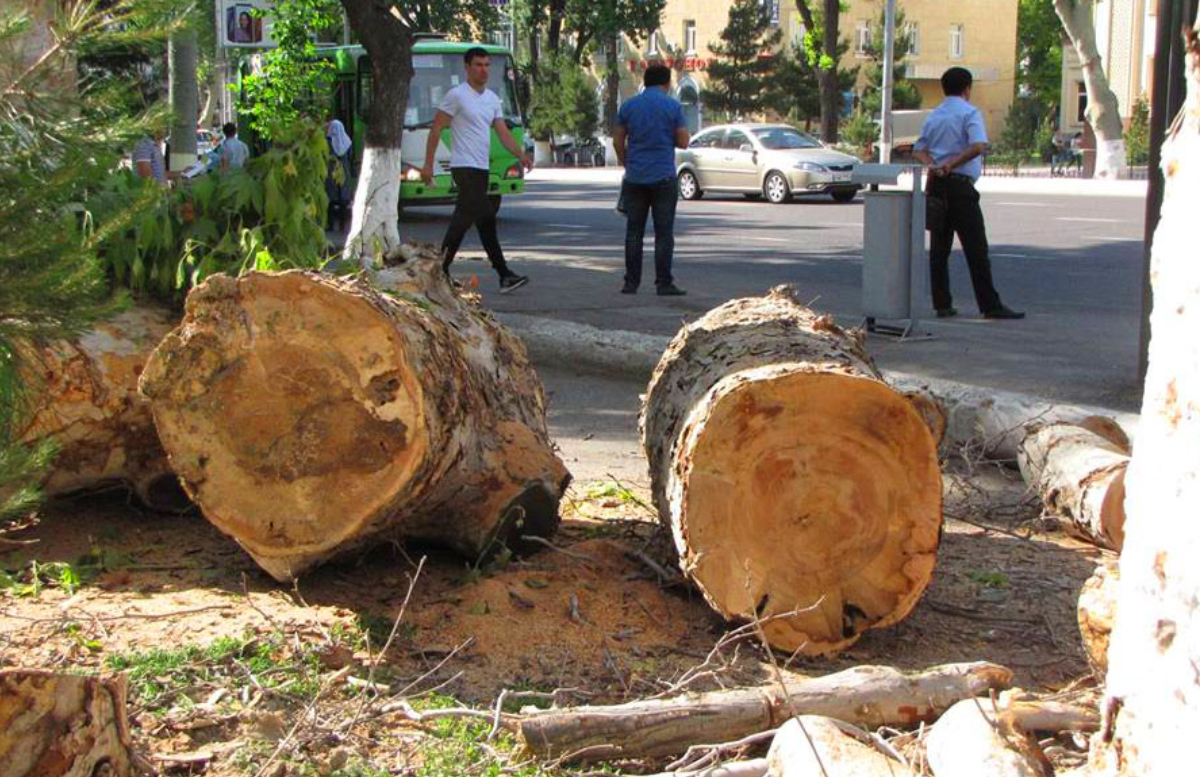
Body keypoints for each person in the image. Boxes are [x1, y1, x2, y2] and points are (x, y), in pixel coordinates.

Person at [913, 67, 1024, 320]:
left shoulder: (934, 116)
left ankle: (942, 303)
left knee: (939, 248)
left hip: (936, 185)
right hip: (961, 185)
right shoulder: (969, 113)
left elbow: (918, 149)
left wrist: (934, 164)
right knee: (976, 248)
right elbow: (978, 145)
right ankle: (989, 305)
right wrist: (952, 164)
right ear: (967, 88)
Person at [420, 47, 533, 292]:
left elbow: (502, 132)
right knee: (481, 217)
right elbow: (436, 129)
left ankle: (441, 271)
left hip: (481, 168)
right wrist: (428, 164)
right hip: (463, 167)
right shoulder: (456, 95)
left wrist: (520, 155)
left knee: (470, 221)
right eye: (478, 65)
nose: (483, 70)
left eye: (486, 65)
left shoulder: (492, 99)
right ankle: (501, 273)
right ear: (467, 68)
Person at [612, 63, 689, 296]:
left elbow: (617, 139)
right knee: (664, 233)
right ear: (666, 83)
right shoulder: (673, 107)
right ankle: (663, 283)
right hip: (664, 177)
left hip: (635, 178)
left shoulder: (629, 106)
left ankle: (630, 283)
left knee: (633, 232)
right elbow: (684, 141)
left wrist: (625, 160)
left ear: (645, 82)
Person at [325, 115, 353, 232]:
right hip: (343, 174)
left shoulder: (328, 141)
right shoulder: (347, 142)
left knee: (331, 200)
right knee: (342, 201)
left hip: (330, 174)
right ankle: (342, 226)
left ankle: (331, 225)